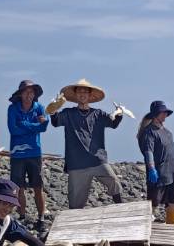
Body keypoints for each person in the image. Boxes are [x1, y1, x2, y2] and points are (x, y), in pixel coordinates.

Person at [46, 79, 126, 209]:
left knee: (114, 182)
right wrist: (53, 110)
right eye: (79, 92)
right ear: (76, 95)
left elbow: (113, 124)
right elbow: (55, 122)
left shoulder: (98, 114)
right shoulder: (68, 113)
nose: (82, 94)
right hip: (77, 164)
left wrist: (119, 113)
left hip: (98, 160)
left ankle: (122, 209)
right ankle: (73, 227)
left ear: (90, 96)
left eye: (85, 92)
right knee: (75, 204)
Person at [6, 80, 50, 224]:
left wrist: (25, 124)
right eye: (26, 92)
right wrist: (35, 126)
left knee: (38, 186)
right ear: (20, 94)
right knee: (19, 188)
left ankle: (41, 217)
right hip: (17, 154)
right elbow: (13, 130)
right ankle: (22, 216)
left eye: (31, 92)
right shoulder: (12, 109)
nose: (29, 95)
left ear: (35, 94)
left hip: (35, 153)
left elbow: (44, 127)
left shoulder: (40, 108)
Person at [138, 100, 174, 224]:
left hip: (172, 174)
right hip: (158, 174)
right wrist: (151, 168)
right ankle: (146, 231)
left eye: (165, 112)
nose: (165, 115)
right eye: (162, 112)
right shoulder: (149, 132)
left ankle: (172, 231)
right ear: (155, 114)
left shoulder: (168, 132)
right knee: (152, 204)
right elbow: (148, 152)